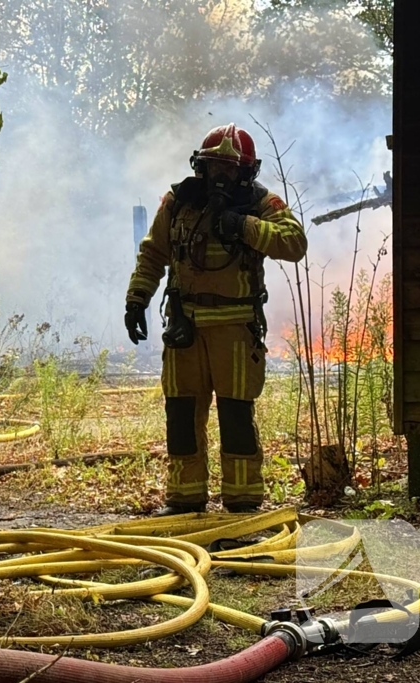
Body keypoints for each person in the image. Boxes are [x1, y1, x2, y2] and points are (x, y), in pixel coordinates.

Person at [124, 123, 307, 515]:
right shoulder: (178, 201)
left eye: (230, 168)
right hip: (184, 326)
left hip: (235, 329)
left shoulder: (261, 203)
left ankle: (242, 500)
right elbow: (154, 252)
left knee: (236, 413)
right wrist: (137, 298)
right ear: (200, 166)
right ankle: (185, 497)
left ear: (245, 171)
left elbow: (294, 243)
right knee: (181, 412)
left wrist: (244, 226)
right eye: (214, 166)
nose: (221, 176)